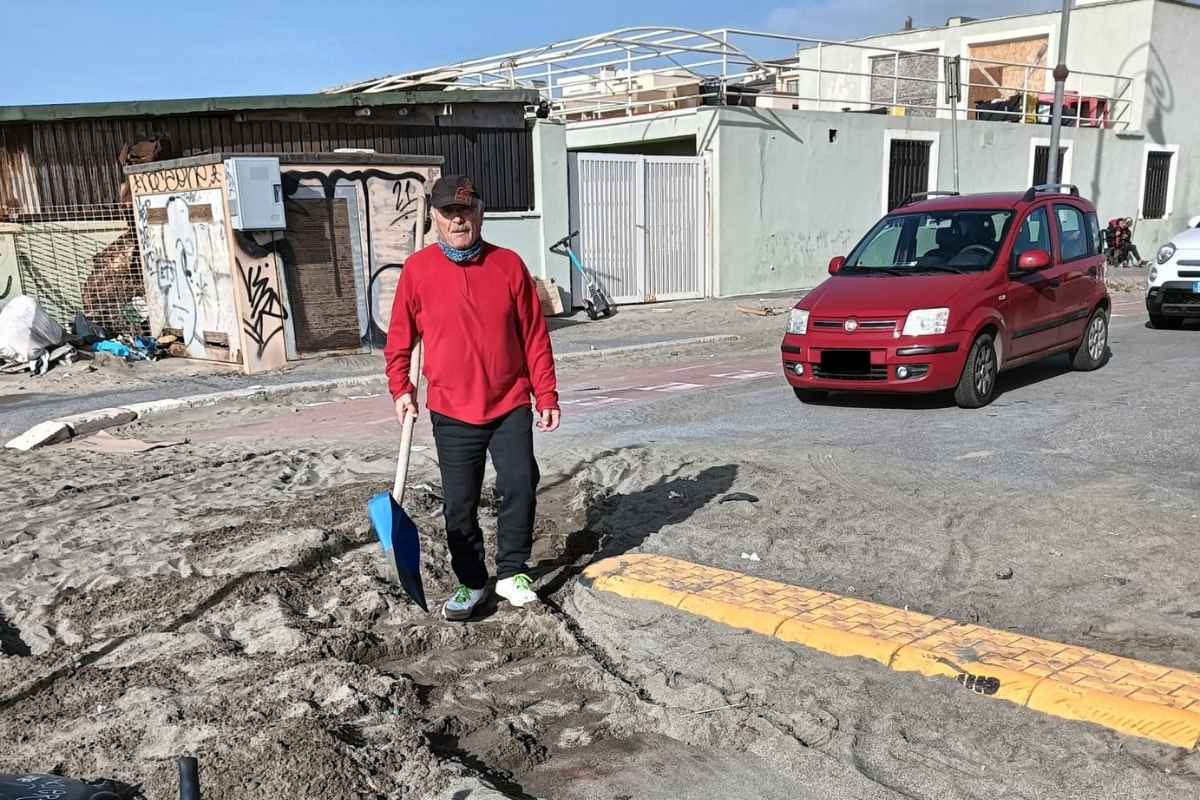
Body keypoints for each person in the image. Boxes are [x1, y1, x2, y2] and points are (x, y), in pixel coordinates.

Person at [384, 175, 561, 621]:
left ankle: (513, 571)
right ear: (435, 217)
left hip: (509, 402)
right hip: (451, 409)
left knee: (520, 483)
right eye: (448, 212)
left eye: (466, 210)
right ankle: (471, 581)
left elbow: (535, 338)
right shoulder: (418, 271)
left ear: (481, 213)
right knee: (459, 504)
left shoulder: (509, 266)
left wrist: (546, 394)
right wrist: (401, 389)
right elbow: (399, 343)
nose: (458, 220)